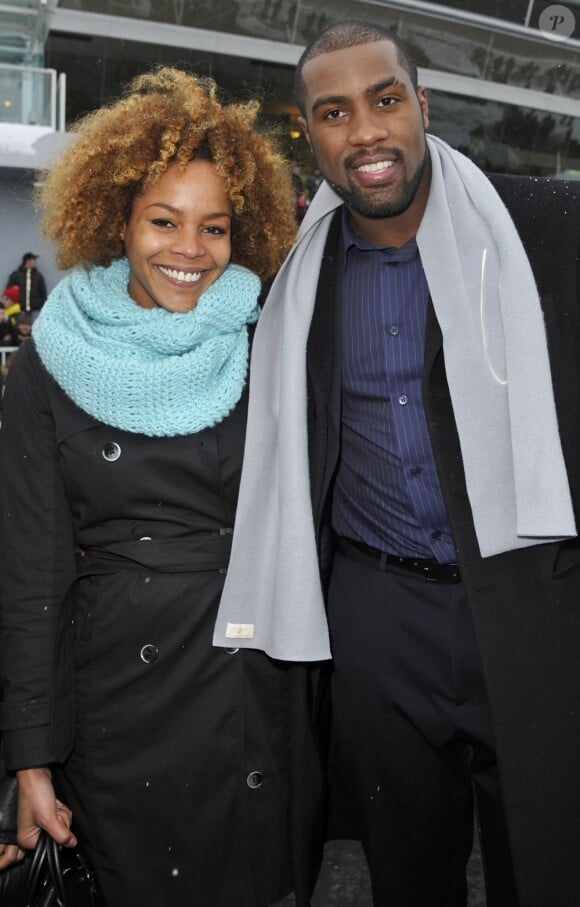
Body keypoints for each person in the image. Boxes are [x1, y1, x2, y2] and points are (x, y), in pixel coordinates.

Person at [215, 19, 580, 907]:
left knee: (552, 862)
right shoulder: (289, 280)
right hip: (378, 620)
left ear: (423, 105)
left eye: (384, 101)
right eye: (334, 113)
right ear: (310, 134)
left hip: (535, 594)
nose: (366, 132)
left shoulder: (547, 226)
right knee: (405, 872)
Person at [0, 66, 325, 907]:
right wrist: (29, 755)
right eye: (164, 221)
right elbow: (32, 570)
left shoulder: (269, 341)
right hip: (118, 698)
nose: (190, 249)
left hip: (246, 680)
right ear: (118, 219)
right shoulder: (51, 357)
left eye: (213, 227)